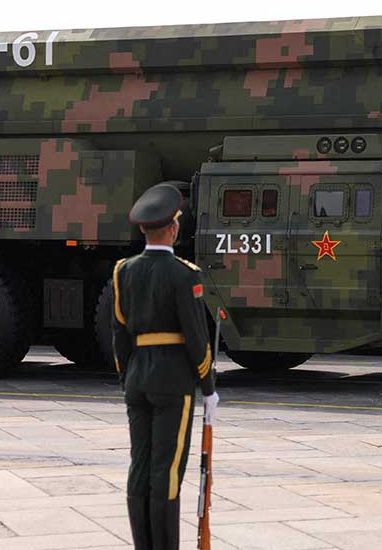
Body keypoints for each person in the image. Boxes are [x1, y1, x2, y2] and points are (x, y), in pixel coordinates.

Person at [112, 183, 218, 550]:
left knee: (139, 466)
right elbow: (196, 337)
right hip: (173, 379)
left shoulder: (123, 271)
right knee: (167, 471)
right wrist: (208, 386)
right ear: (173, 228)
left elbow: (119, 333)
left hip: (137, 377)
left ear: (144, 228)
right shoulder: (184, 274)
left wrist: (127, 378)